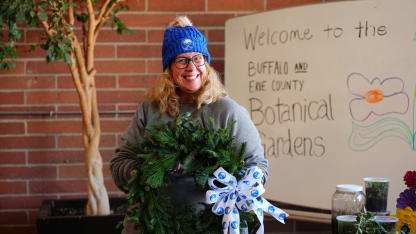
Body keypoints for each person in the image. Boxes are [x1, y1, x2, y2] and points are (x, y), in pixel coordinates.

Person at [110, 15, 268, 234]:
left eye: (197, 58)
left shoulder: (228, 112)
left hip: (212, 225)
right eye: (181, 60)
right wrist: (145, 172)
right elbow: (120, 162)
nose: (191, 67)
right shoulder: (151, 109)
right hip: (154, 224)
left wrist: (237, 187)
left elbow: (257, 166)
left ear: (206, 62)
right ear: (169, 68)